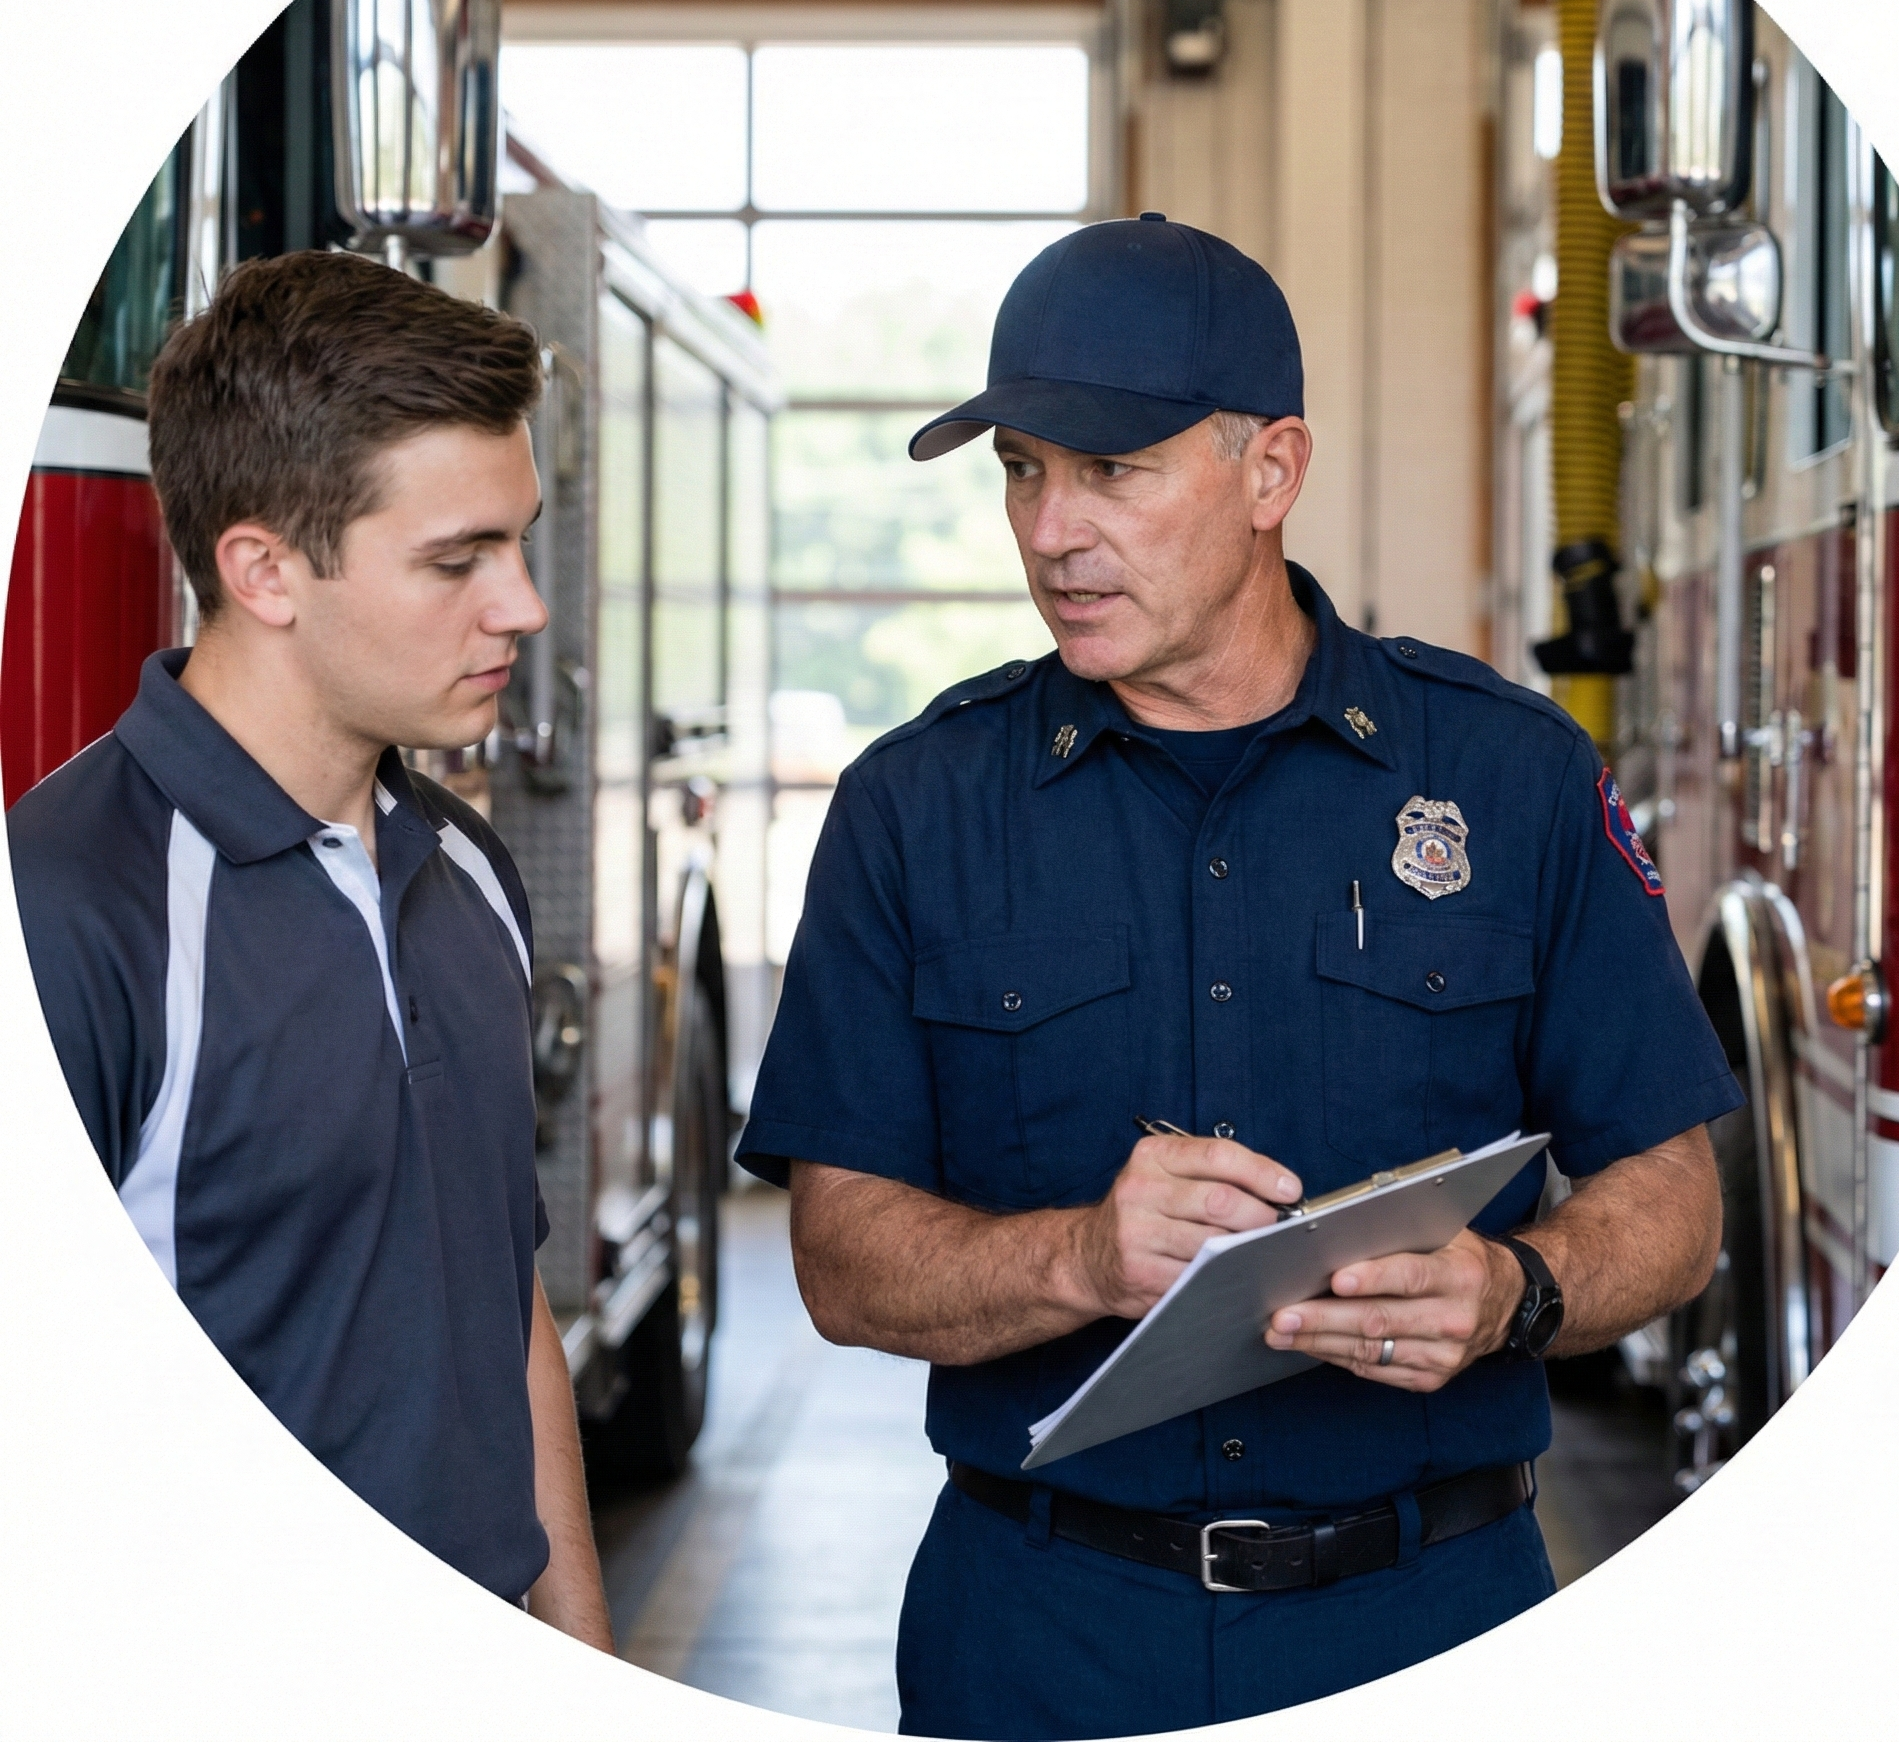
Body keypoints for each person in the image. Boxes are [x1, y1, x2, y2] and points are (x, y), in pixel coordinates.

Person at [735, 214, 1743, 1739]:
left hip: (1436, 1621)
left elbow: (1672, 1201)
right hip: (1043, 1635)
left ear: (1272, 472)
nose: (1051, 530)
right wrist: (1078, 1258)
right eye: (1022, 469)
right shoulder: (915, 808)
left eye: (1112, 471)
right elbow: (839, 1260)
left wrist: (1513, 1292)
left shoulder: (1508, 778)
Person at [11, 251, 613, 1648]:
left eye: (519, 543)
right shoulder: (74, 910)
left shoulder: (466, 871)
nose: (522, 606)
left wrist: (580, 1634)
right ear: (264, 570)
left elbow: (500, 1287)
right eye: (459, 559)